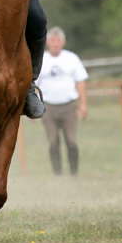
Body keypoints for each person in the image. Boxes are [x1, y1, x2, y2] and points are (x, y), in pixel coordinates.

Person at [36, 27, 88, 176]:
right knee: (53, 141)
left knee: (71, 140)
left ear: (63, 43)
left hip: (68, 106)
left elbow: (80, 82)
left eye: (58, 41)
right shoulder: (41, 60)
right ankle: (57, 172)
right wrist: (33, 108)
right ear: (47, 43)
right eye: (52, 40)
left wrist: (83, 104)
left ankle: (74, 172)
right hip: (48, 107)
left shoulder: (71, 58)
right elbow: (34, 86)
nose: (55, 44)